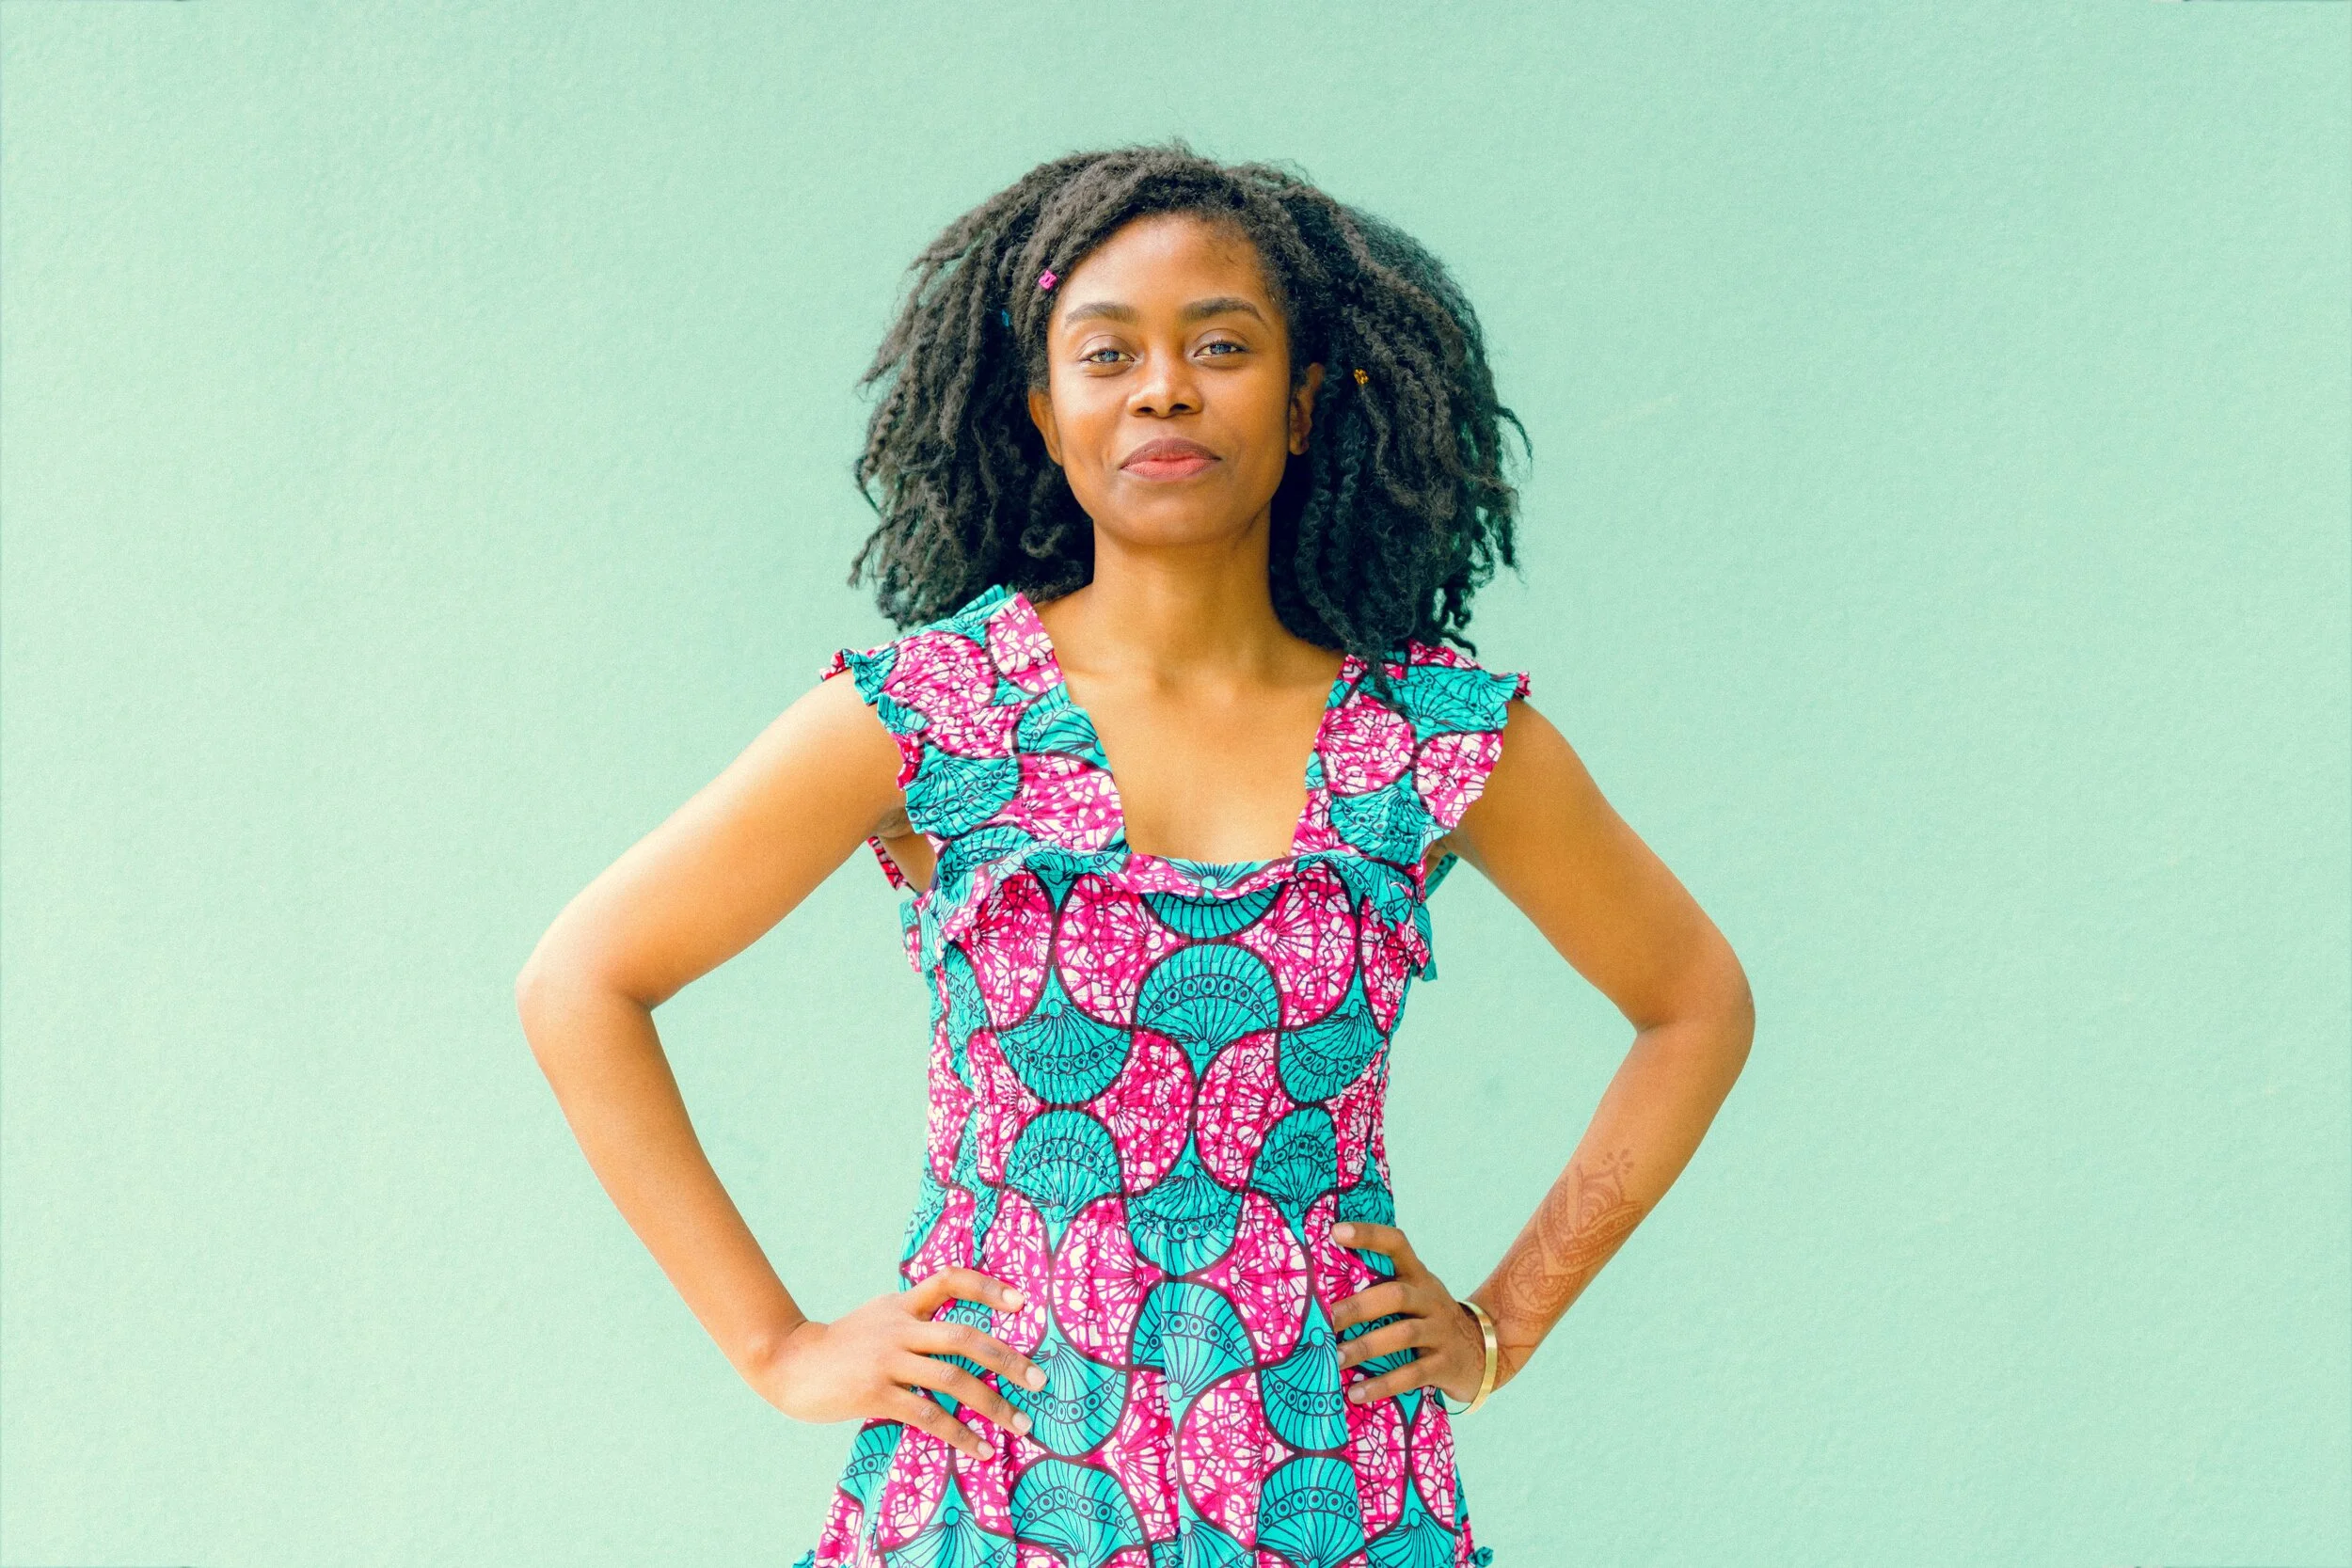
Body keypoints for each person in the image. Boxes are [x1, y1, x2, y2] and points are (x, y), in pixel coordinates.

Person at [516, 143, 1755, 1568]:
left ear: (1304, 403)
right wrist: (777, 1346)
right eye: (1108, 353)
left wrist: (1499, 1325)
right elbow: (581, 983)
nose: (1164, 387)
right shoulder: (926, 714)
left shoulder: (1435, 738)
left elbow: (1696, 1004)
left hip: (1339, 1495)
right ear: (1046, 416)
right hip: (993, 1493)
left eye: (1220, 346)